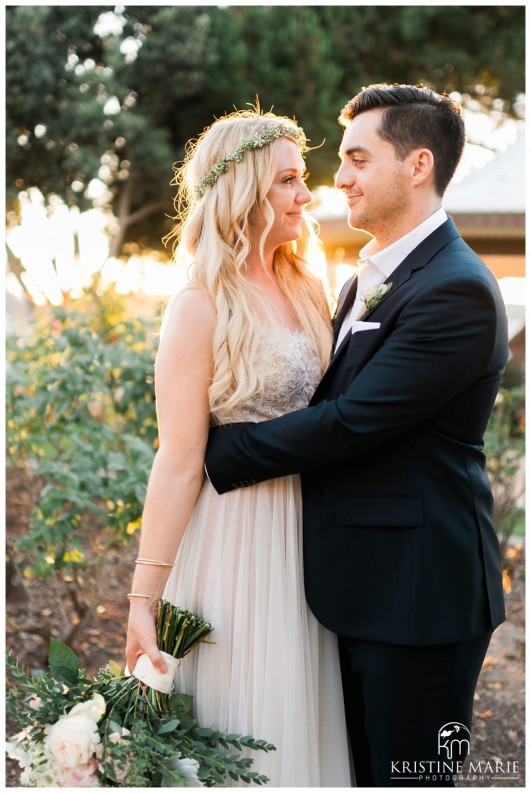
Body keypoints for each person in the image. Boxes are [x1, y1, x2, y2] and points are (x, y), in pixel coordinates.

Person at [204, 84, 509, 787]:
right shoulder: (366, 280)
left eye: (355, 158)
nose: (336, 178)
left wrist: (215, 454)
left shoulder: (454, 288)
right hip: (355, 584)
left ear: (417, 164)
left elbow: (353, 421)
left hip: (417, 593)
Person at [125, 109, 352, 786]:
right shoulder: (197, 305)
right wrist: (143, 596)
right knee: (241, 722)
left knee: (300, 713)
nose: (305, 195)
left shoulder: (307, 287)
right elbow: (177, 459)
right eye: (287, 179)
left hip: (311, 536)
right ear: (245, 189)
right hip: (232, 542)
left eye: (301, 178)